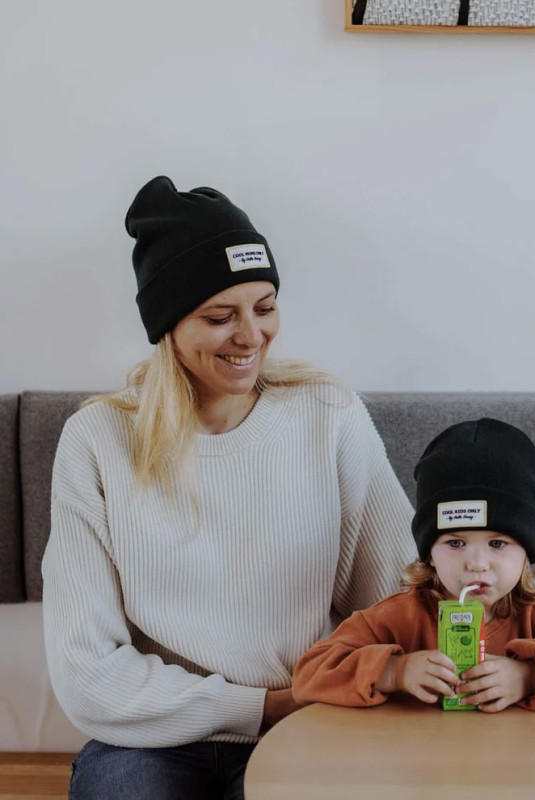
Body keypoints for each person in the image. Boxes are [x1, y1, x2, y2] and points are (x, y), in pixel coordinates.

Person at [41, 176, 416, 799]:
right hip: (153, 734)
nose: (251, 336)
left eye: (264, 307)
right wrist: (261, 706)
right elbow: (87, 672)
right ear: (169, 327)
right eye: (221, 316)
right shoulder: (97, 440)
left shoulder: (328, 414)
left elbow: (399, 601)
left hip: (311, 720)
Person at [293, 418, 535, 712]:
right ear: (428, 552)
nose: (476, 563)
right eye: (455, 543)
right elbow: (309, 674)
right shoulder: (398, 616)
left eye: (498, 543)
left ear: (530, 549)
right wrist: (394, 672)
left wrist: (529, 677)